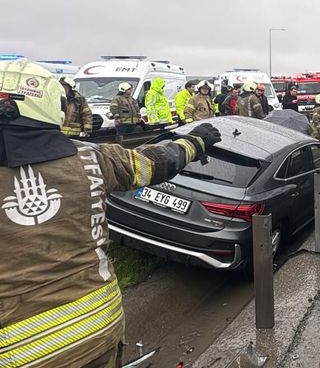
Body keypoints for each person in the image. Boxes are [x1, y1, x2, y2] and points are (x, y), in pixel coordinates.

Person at [0, 59, 222, 368]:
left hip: (17, 351)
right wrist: (194, 142)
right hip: (98, 328)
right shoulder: (91, 157)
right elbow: (155, 163)